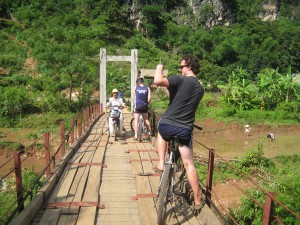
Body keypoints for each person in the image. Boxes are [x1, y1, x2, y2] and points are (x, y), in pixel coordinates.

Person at [153, 55, 204, 209]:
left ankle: (162, 162)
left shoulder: (181, 80)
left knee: (161, 129)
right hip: (184, 129)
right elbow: (179, 99)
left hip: (167, 125)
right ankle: (197, 200)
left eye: (181, 67)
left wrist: (159, 66)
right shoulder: (200, 88)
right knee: (189, 164)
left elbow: (157, 81)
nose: (180, 70)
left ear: (189, 67)